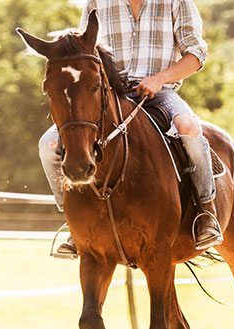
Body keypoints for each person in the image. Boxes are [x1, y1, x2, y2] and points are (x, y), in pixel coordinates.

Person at [39, 0, 221, 256]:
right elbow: (83, 50)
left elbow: (195, 55)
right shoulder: (97, 2)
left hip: (160, 92)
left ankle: (206, 213)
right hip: (108, 96)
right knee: (47, 147)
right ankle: (72, 223)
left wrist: (159, 79)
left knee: (188, 127)